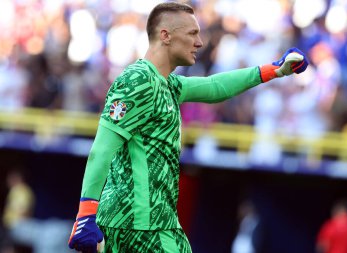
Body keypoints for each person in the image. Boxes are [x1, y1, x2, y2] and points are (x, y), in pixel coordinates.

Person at [68, 2, 308, 253]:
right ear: (166, 35)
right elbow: (102, 149)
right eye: (192, 33)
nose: (200, 42)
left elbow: (215, 86)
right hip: (137, 225)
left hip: (155, 222)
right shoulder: (137, 81)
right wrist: (86, 214)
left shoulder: (168, 84)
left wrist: (274, 70)